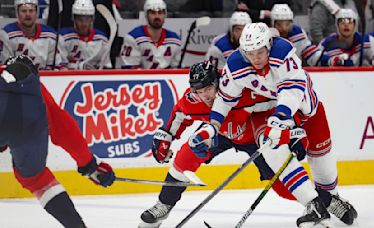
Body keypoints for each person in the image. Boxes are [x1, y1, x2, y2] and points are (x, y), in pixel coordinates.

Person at [189, 23, 358, 227]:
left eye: (260, 52)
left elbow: (292, 90)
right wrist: (212, 126)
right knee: (272, 148)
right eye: (250, 53)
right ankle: (314, 205)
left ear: (269, 46)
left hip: (305, 110)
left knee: (321, 160)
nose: (256, 58)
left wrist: (282, 119)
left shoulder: (283, 53)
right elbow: (224, 100)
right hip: (272, 112)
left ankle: (331, 198)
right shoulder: (235, 64)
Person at [139, 61, 304, 227]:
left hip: (254, 136)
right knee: (186, 155)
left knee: (283, 184)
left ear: (218, 82)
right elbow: (180, 114)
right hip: (217, 132)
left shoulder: (242, 90)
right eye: (200, 91)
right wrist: (166, 136)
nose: (206, 96)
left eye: (209, 89)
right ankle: (163, 205)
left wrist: (292, 130)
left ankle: (318, 202)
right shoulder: (194, 100)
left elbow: (282, 101)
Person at [0, 55, 115, 227]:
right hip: (28, 117)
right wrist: (89, 164)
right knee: (37, 179)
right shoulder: (35, 89)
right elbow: (65, 131)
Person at [319, 8, 374, 74]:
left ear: (355, 25)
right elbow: (317, 62)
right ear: (337, 25)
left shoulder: (366, 40)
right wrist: (335, 62)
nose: (346, 25)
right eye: (342, 21)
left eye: (350, 21)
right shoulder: (327, 43)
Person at [0, 0, 66, 70]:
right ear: (17, 13)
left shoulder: (50, 36)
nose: (28, 14)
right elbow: (5, 66)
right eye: (24, 11)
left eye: (31, 11)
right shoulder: (6, 35)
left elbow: (55, 67)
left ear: (37, 13)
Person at [120, 0, 182, 69]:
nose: (157, 16)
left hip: (166, 79)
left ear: (165, 15)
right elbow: (129, 69)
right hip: (141, 79)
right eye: (153, 13)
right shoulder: (133, 38)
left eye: (160, 12)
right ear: (146, 15)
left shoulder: (175, 40)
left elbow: (177, 70)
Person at [59, 0, 112, 70]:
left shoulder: (102, 40)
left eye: (87, 19)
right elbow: (60, 68)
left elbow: (106, 68)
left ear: (92, 19)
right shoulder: (63, 38)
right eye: (80, 20)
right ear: (73, 19)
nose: (84, 24)